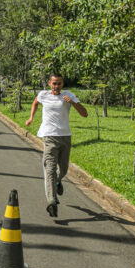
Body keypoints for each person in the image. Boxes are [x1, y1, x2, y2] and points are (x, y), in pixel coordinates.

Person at [26, 73, 88, 217]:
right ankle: (52, 202)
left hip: (65, 137)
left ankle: (58, 181)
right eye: (54, 83)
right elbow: (35, 102)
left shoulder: (69, 95)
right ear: (49, 83)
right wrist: (31, 118)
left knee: (64, 169)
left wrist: (72, 102)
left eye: (59, 83)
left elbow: (84, 114)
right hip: (49, 137)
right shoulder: (43, 95)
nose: (56, 86)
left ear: (63, 83)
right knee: (50, 168)